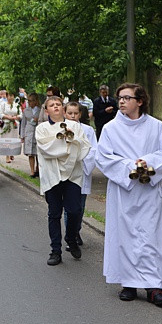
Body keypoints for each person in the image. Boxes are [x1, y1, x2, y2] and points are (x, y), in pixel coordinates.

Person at [97, 83, 162, 306]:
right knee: (125, 236)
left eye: (127, 98)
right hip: (124, 190)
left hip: (150, 190)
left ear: (140, 101)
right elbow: (103, 157)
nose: (121, 101)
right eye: (119, 98)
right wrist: (130, 166)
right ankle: (128, 283)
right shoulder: (110, 129)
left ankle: (154, 287)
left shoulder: (156, 126)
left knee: (151, 237)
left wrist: (147, 163)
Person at [35, 95, 91, 266]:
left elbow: (83, 146)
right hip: (52, 175)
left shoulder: (75, 126)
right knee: (54, 213)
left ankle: (71, 237)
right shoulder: (42, 129)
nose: (56, 107)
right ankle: (55, 251)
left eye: (58, 104)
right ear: (47, 111)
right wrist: (67, 145)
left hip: (72, 174)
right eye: (52, 105)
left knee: (74, 210)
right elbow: (47, 149)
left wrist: (70, 143)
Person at [64, 103, 97, 248]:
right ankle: (70, 234)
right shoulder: (60, 129)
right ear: (65, 114)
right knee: (69, 207)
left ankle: (76, 230)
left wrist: (83, 162)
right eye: (70, 113)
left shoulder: (88, 130)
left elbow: (93, 149)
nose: (72, 116)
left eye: (75, 113)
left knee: (80, 206)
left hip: (82, 169)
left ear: (80, 114)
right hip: (67, 172)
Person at [20, 93, 42, 178]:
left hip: (37, 132)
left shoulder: (40, 110)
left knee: (38, 152)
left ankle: (38, 169)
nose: (29, 103)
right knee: (30, 153)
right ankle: (32, 171)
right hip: (29, 132)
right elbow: (23, 124)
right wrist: (22, 135)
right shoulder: (26, 111)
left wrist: (37, 120)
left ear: (35, 101)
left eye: (31, 101)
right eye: (28, 101)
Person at [0, 92, 21, 163]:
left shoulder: (17, 105)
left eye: (12, 96)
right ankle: (7, 155)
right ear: (7, 96)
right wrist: (7, 117)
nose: (11, 97)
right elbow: (0, 113)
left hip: (14, 124)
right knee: (7, 140)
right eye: (9, 96)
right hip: (6, 124)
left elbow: (21, 114)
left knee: (13, 139)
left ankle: (12, 152)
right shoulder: (3, 104)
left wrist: (16, 117)